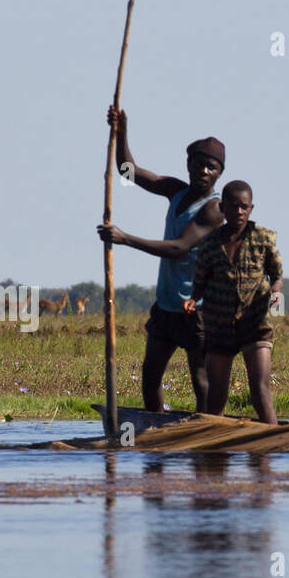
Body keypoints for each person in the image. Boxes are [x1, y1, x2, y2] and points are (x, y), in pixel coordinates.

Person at [96, 107, 225, 411]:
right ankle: (154, 430)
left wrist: (125, 239)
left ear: (219, 172)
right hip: (167, 305)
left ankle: (205, 432)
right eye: (198, 165)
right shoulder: (175, 190)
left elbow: (178, 247)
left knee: (200, 378)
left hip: (197, 308)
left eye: (211, 168)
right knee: (151, 374)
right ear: (189, 165)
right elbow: (127, 170)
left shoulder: (213, 209)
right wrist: (121, 129)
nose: (204, 172)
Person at [184, 181, 283, 425]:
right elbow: (200, 280)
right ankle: (213, 445)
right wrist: (193, 299)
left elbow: (277, 274)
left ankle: (271, 440)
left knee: (260, 389)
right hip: (219, 324)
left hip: (255, 322)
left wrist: (276, 292)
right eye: (233, 206)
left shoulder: (264, 239)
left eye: (244, 207)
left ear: (251, 208)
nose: (238, 211)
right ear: (222, 207)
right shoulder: (209, 244)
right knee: (216, 393)